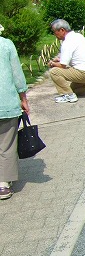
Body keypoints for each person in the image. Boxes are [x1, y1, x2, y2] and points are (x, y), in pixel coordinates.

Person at [0, 26, 30, 200]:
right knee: (7, 143)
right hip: (6, 102)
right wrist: (23, 98)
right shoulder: (6, 45)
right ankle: (3, 184)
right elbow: (17, 75)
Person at [48, 19, 85, 103]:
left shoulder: (67, 42)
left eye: (55, 32)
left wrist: (52, 63)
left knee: (54, 72)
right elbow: (74, 58)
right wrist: (59, 60)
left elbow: (63, 65)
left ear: (62, 30)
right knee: (72, 88)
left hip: (83, 73)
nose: (55, 35)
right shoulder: (78, 36)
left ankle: (68, 96)